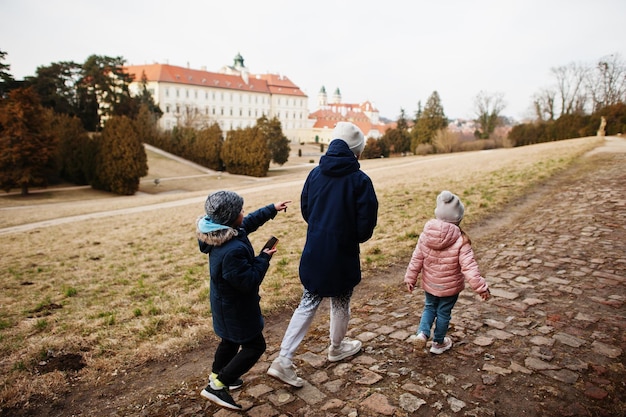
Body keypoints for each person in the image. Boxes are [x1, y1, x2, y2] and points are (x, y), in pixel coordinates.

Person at [267, 122, 378, 387]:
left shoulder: (315, 174)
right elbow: (366, 224)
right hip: (343, 254)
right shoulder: (360, 180)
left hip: (315, 249)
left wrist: (320, 228)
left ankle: (284, 358)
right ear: (356, 152)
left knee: (308, 302)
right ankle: (336, 347)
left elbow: (307, 210)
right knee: (340, 302)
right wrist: (351, 237)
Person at [196, 190, 290, 409]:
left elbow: (248, 222)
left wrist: (271, 209)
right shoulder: (233, 250)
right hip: (237, 309)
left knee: (229, 341)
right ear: (231, 217)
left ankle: (215, 375)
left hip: (223, 304)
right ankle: (219, 385)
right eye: (240, 210)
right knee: (255, 346)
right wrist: (264, 258)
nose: (243, 212)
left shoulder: (220, 232)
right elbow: (249, 281)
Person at [404, 190, 490, 354]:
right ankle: (438, 343)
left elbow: (417, 258)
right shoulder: (461, 240)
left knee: (429, 308)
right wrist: (481, 287)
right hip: (449, 288)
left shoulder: (426, 235)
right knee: (443, 313)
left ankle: (422, 334)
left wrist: (410, 278)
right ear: (458, 218)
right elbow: (469, 267)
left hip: (430, 284)